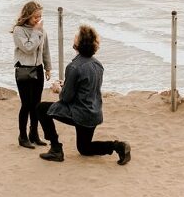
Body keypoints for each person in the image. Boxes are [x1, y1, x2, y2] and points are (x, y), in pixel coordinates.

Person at [36, 25, 131, 165]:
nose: (74, 37)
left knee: (41, 108)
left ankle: (56, 149)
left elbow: (66, 98)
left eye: (76, 36)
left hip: (80, 113)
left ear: (78, 44)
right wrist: (67, 84)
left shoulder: (73, 67)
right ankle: (118, 146)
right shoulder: (98, 64)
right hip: (94, 113)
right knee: (84, 148)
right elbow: (87, 87)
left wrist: (58, 89)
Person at [12, 1, 51, 149]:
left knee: (37, 104)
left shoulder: (41, 30)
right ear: (27, 16)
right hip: (23, 70)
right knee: (26, 104)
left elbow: (45, 49)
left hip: (38, 69)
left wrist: (48, 68)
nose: (38, 19)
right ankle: (22, 136)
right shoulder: (19, 30)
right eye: (35, 17)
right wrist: (36, 32)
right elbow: (28, 48)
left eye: (40, 16)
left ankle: (34, 134)